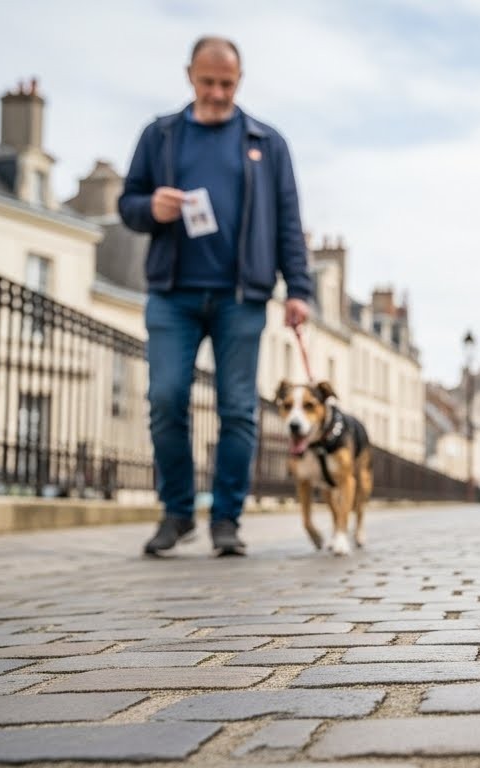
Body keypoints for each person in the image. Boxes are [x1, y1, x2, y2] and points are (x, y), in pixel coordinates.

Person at [119, 36, 313, 557]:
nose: (218, 92)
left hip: (241, 297)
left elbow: (288, 223)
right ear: (190, 76)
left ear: (240, 80)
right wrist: (149, 208)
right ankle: (178, 513)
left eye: (227, 83)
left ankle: (226, 520)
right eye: (208, 82)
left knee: (239, 411)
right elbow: (127, 203)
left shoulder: (266, 143)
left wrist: (299, 289)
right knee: (165, 400)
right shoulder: (159, 136)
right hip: (173, 293)